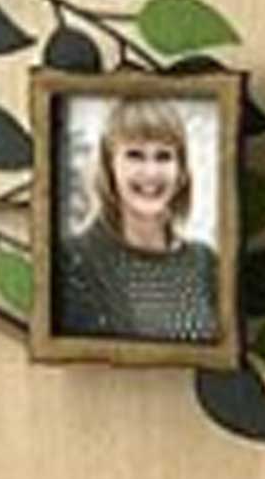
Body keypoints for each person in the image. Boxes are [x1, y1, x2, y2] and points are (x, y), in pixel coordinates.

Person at [56, 98, 219, 343]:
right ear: (109, 167)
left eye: (163, 156)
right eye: (135, 155)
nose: (150, 172)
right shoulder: (72, 262)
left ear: (181, 171)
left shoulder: (205, 263)